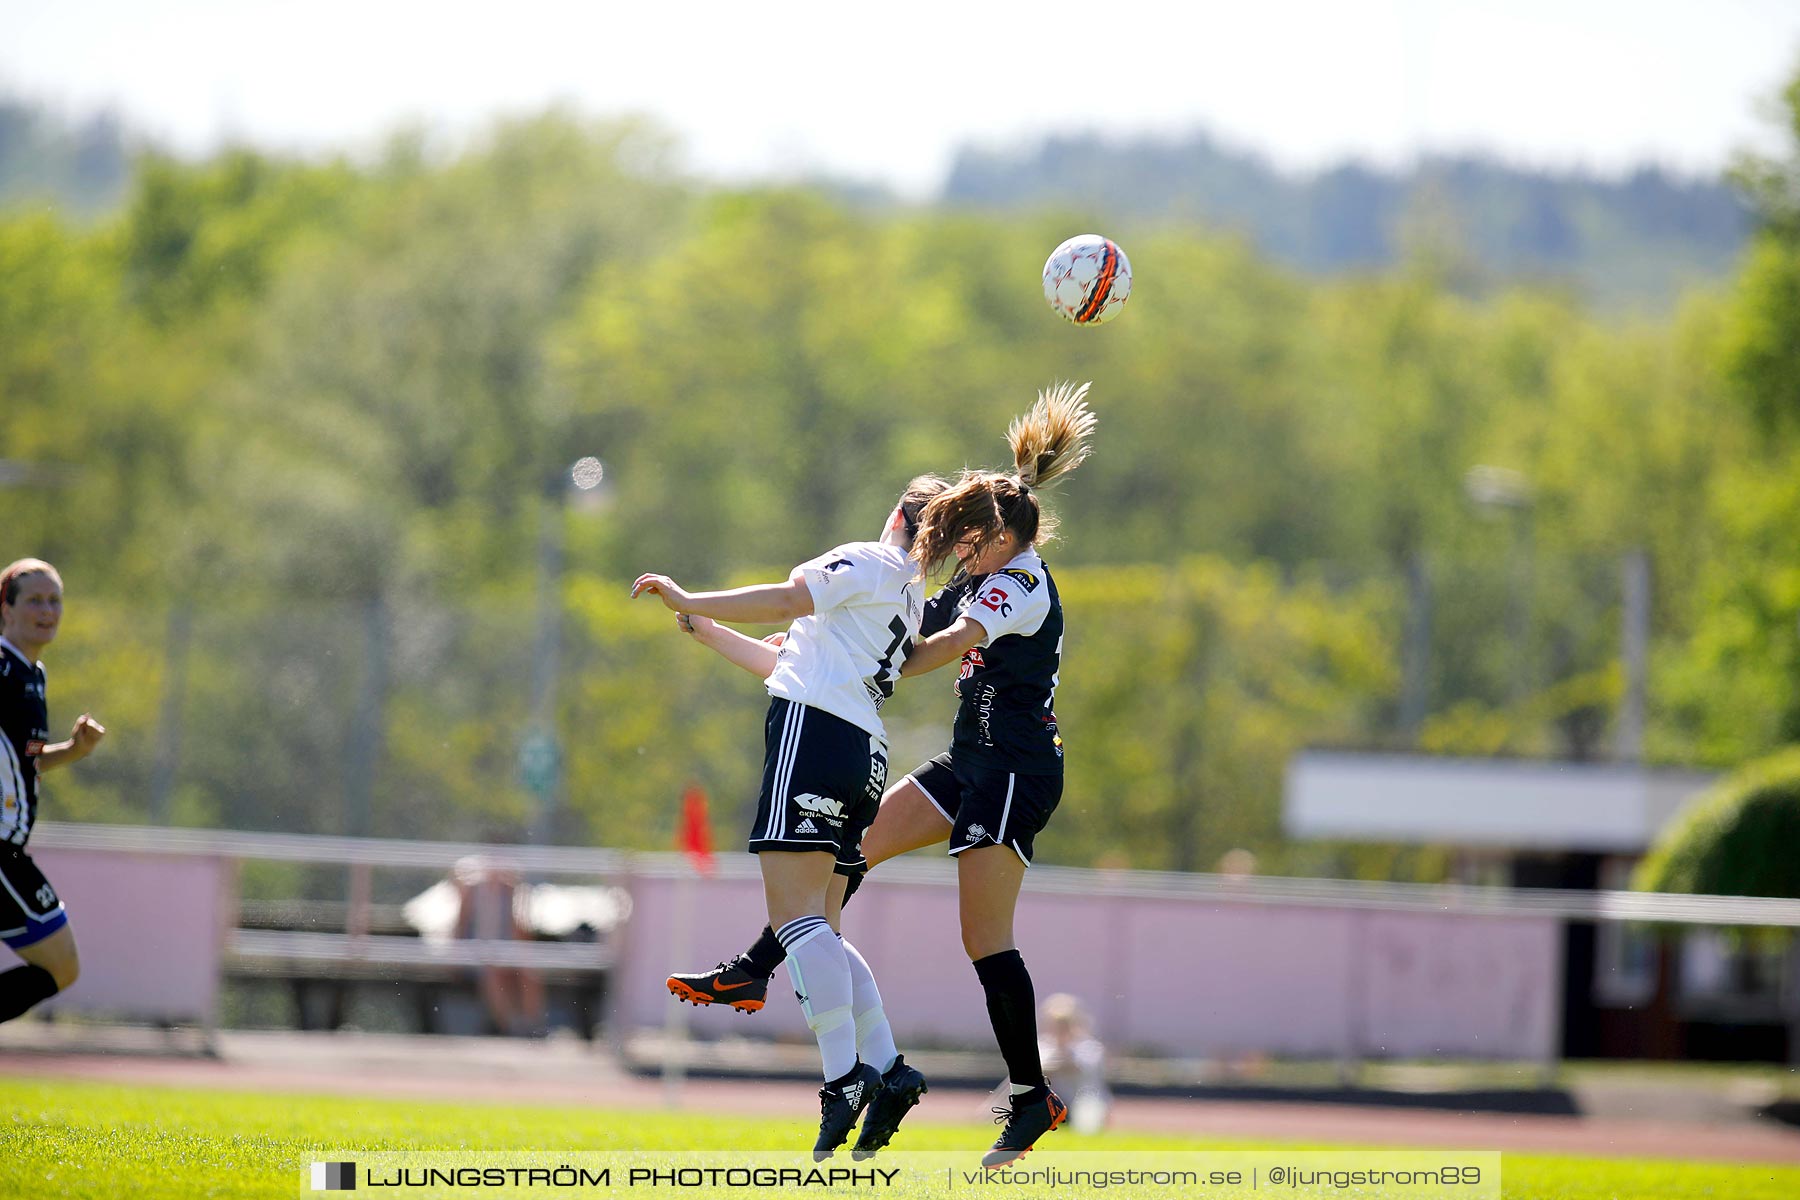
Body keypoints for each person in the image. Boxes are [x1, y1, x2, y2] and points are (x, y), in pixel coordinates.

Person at [666, 382, 1096, 1167]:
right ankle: (763, 972)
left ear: (999, 537)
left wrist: (885, 660)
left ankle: (1034, 1099)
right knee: (852, 849)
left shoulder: (1019, 581)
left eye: (970, 541)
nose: (960, 554)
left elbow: (941, 644)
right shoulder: (984, 566)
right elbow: (912, 623)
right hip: (969, 760)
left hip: (1016, 770)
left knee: (982, 936)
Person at [633, 472, 993, 1160]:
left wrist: (687, 593)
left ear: (897, 514)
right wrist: (707, 630)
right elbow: (786, 660)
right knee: (818, 926)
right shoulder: (908, 597)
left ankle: (842, 1081)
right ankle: (889, 1068)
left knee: (795, 920)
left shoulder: (870, 560)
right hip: (865, 753)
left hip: (817, 738)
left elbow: (788, 597)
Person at [0, 559, 106, 1026]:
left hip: (11, 848)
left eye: (54, 600)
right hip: (1, 850)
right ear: (5, 609)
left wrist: (74, 750)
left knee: (62, 968)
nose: (47, 610)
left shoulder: (31, 674)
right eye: (34, 600)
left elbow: (27, 760)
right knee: (61, 966)